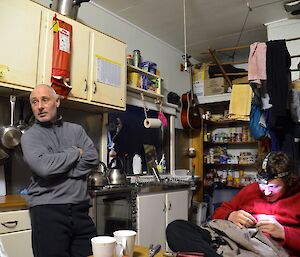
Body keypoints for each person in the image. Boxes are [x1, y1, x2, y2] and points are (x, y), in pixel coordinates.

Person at [166, 151, 300, 257]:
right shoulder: (251, 190)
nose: (266, 192)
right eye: (262, 186)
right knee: (176, 228)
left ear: (288, 181)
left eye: (274, 188)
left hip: (265, 249)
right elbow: (218, 214)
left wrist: (284, 233)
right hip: (229, 239)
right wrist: (231, 215)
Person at [21, 84, 99, 257]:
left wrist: (58, 167)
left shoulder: (76, 130)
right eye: (34, 102)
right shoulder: (29, 137)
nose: (40, 106)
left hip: (80, 210)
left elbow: (92, 159)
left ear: (57, 102)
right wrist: (75, 152)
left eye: (45, 100)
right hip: (47, 211)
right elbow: (45, 168)